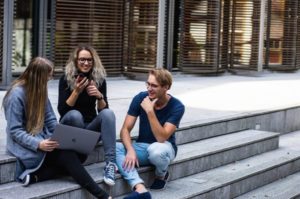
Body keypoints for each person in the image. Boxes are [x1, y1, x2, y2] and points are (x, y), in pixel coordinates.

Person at [2, 57, 110, 199]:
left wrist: (61, 135)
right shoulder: (16, 95)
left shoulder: (40, 90)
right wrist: (38, 144)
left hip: (44, 140)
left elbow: (51, 120)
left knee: (80, 154)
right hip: (27, 147)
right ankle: (102, 195)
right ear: (38, 76)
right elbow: (15, 131)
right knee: (68, 156)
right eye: (48, 75)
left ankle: (37, 176)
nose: (50, 79)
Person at [116, 68, 185, 199]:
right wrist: (130, 150)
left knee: (156, 151)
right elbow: (125, 129)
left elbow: (161, 137)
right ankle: (139, 187)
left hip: (164, 147)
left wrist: (150, 111)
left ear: (166, 87)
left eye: (154, 85)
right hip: (142, 147)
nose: (149, 88)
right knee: (114, 148)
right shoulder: (140, 98)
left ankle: (161, 175)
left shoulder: (177, 106)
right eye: (148, 84)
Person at [57, 45, 117, 186]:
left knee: (108, 113)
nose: (86, 63)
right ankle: (76, 156)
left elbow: (104, 112)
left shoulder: (99, 79)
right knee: (75, 115)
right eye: (82, 59)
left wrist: (99, 96)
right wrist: (76, 91)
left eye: (89, 60)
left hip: (89, 129)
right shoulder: (65, 79)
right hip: (70, 129)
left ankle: (110, 165)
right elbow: (63, 111)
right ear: (76, 61)